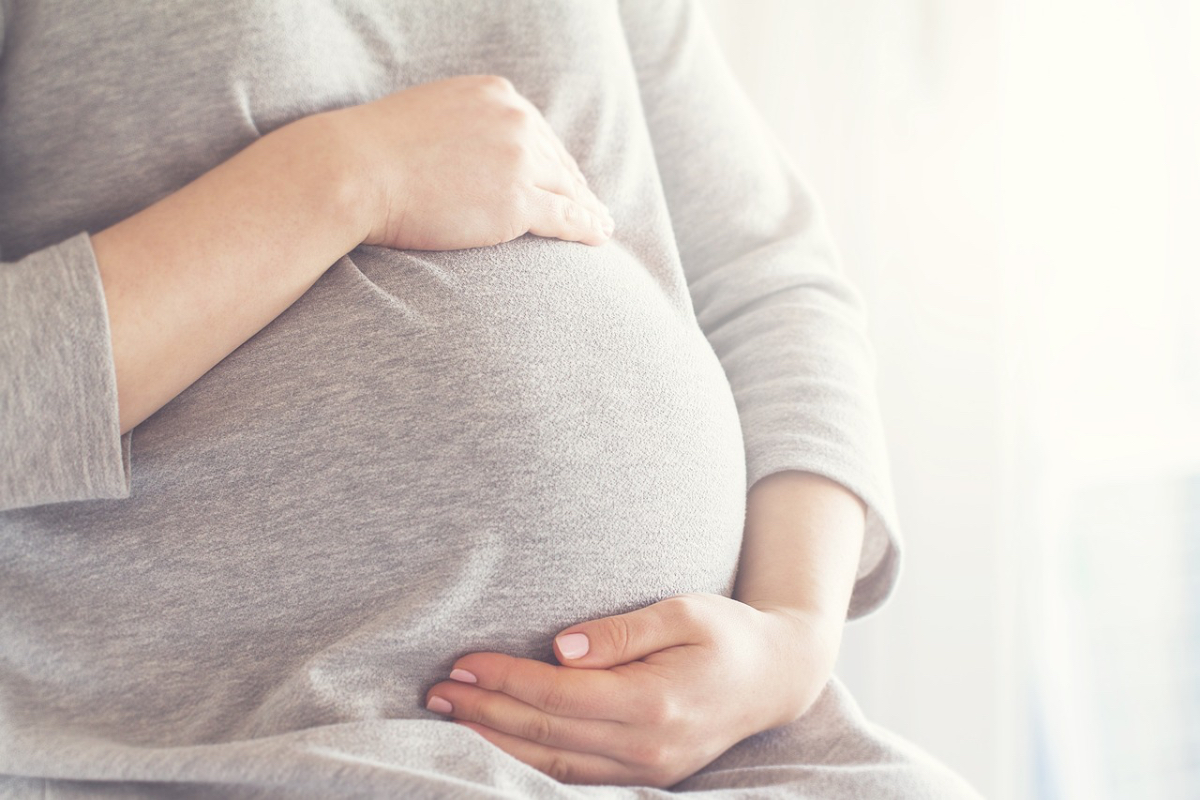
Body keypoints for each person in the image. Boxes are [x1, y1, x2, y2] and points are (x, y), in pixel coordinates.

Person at [0, 0, 983, 797]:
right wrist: (346, 177)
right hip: (230, 745)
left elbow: (769, 276)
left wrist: (790, 640)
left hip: (726, 750)